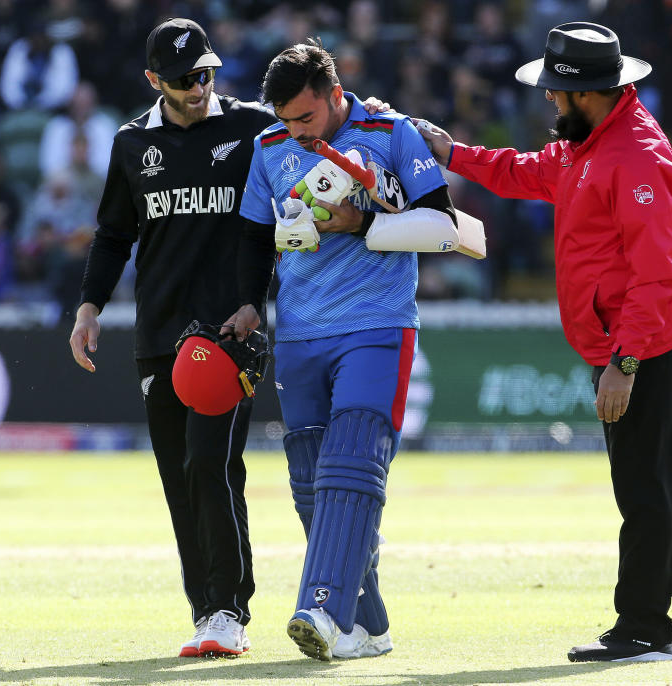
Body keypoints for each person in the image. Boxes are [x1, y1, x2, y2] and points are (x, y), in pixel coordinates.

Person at [415, 22, 672, 662]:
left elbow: (658, 274)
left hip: (640, 340)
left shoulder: (635, 158)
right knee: (649, 477)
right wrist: (452, 153)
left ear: (588, 93)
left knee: (640, 487)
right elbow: (527, 172)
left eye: (557, 93)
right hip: (620, 338)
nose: (549, 101)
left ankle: (643, 628)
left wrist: (624, 362)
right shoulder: (589, 143)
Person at [222, 39, 459, 661]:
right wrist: (251, 302)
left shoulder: (390, 131)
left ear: (334, 95)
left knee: (350, 467)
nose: (295, 131)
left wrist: (364, 225)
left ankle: (322, 611)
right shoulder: (269, 145)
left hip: (377, 324)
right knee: (311, 486)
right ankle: (368, 624)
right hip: (299, 332)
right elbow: (252, 237)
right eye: (284, 119)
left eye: (306, 117)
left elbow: (442, 225)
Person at [68, 17, 277, 659]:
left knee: (208, 463)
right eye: (186, 78)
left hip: (227, 332)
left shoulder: (253, 126)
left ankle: (226, 609)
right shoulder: (132, 143)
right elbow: (112, 235)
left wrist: (254, 300)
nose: (200, 87)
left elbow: (280, 200)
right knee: (180, 476)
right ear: (154, 80)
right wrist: (89, 308)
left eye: (207, 73)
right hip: (159, 333)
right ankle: (207, 607)